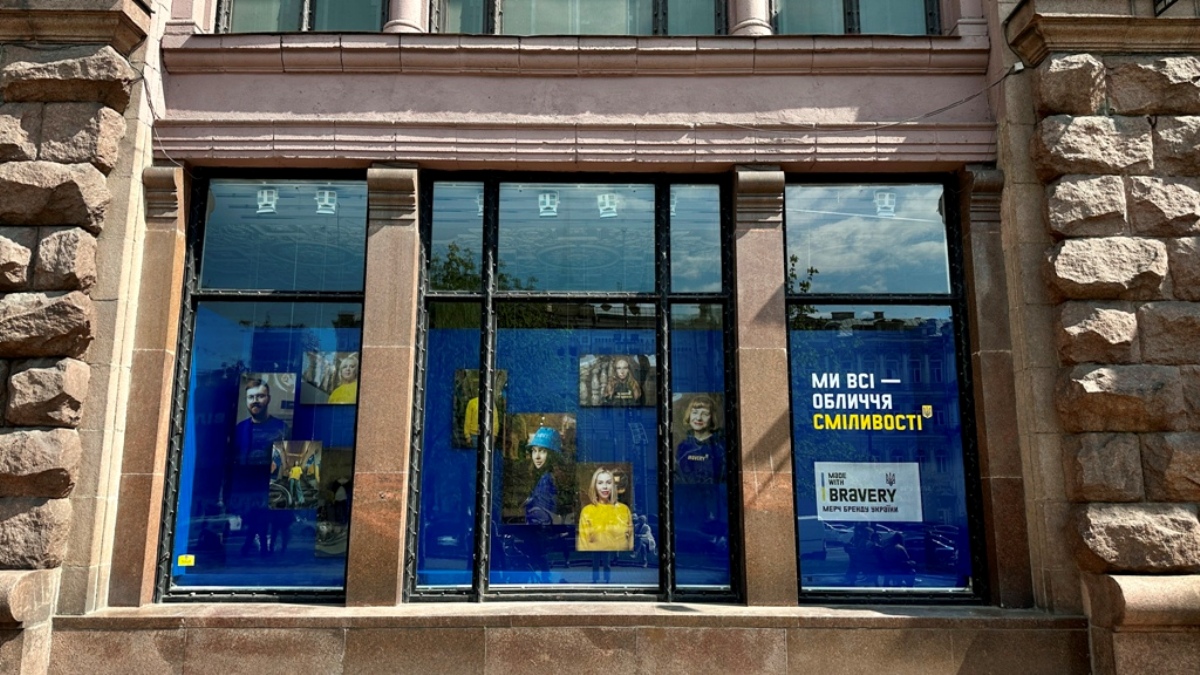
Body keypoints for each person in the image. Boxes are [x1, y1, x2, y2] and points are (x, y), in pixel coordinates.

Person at [234, 378, 289, 466]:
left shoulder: (282, 428)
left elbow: (282, 460)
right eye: (250, 397)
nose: (255, 401)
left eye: (260, 396)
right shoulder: (240, 428)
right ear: (246, 400)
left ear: (268, 399)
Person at [577, 467, 633, 552]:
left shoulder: (624, 509)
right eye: (600, 483)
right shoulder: (587, 511)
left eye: (608, 482)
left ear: (613, 486)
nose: (605, 487)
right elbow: (583, 544)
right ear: (595, 486)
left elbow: (631, 540)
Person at [675, 395, 725, 486]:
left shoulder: (720, 447)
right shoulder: (682, 447)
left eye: (705, 414)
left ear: (712, 417)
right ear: (689, 415)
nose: (698, 418)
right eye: (695, 412)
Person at [523, 427, 562, 526]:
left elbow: (543, 520)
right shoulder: (542, 477)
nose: (537, 456)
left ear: (553, 455)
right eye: (534, 450)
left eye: (542, 451)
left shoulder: (547, 480)